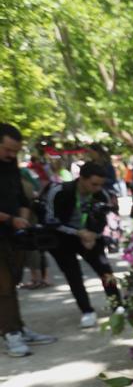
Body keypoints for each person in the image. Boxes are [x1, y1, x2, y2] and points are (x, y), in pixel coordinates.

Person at [44, 161, 123, 328]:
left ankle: (117, 304)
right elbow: (50, 221)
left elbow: (110, 219)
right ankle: (87, 310)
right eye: (93, 184)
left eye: (100, 184)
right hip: (63, 239)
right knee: (73, 275)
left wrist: (95, 235)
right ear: (81, 179)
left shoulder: (103, 194)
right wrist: (78, 233)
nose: (97, 188)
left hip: (92, 237)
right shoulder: (60, 192)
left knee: (105, 270)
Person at [0, 123, 55, 356]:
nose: (12, 156)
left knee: (11, 284)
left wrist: (21, 219)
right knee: (2, 286)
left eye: (15, 151)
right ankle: (11, 334)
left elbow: (22, 199)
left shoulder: (11, 166)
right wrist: (11, 220)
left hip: (14, 234)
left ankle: (17, 328)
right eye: (8, 150)